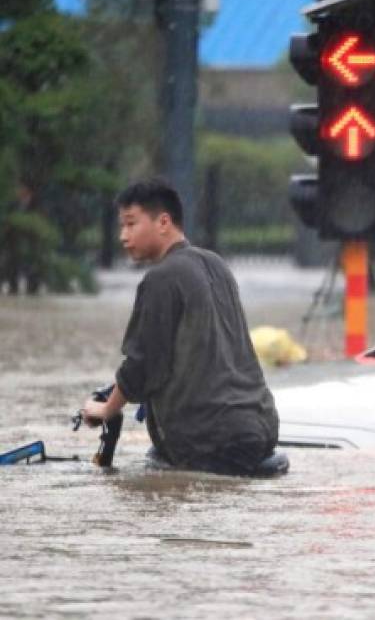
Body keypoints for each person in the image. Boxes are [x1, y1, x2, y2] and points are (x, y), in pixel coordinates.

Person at [80, 177, 283, 476]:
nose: (123, 236)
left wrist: (105, 409)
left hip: (209, 442)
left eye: (131, 224)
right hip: (261, 428)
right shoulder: (217, 264)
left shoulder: (161, 278)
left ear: (163, 222)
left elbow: (142, 365)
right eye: (121, 226)